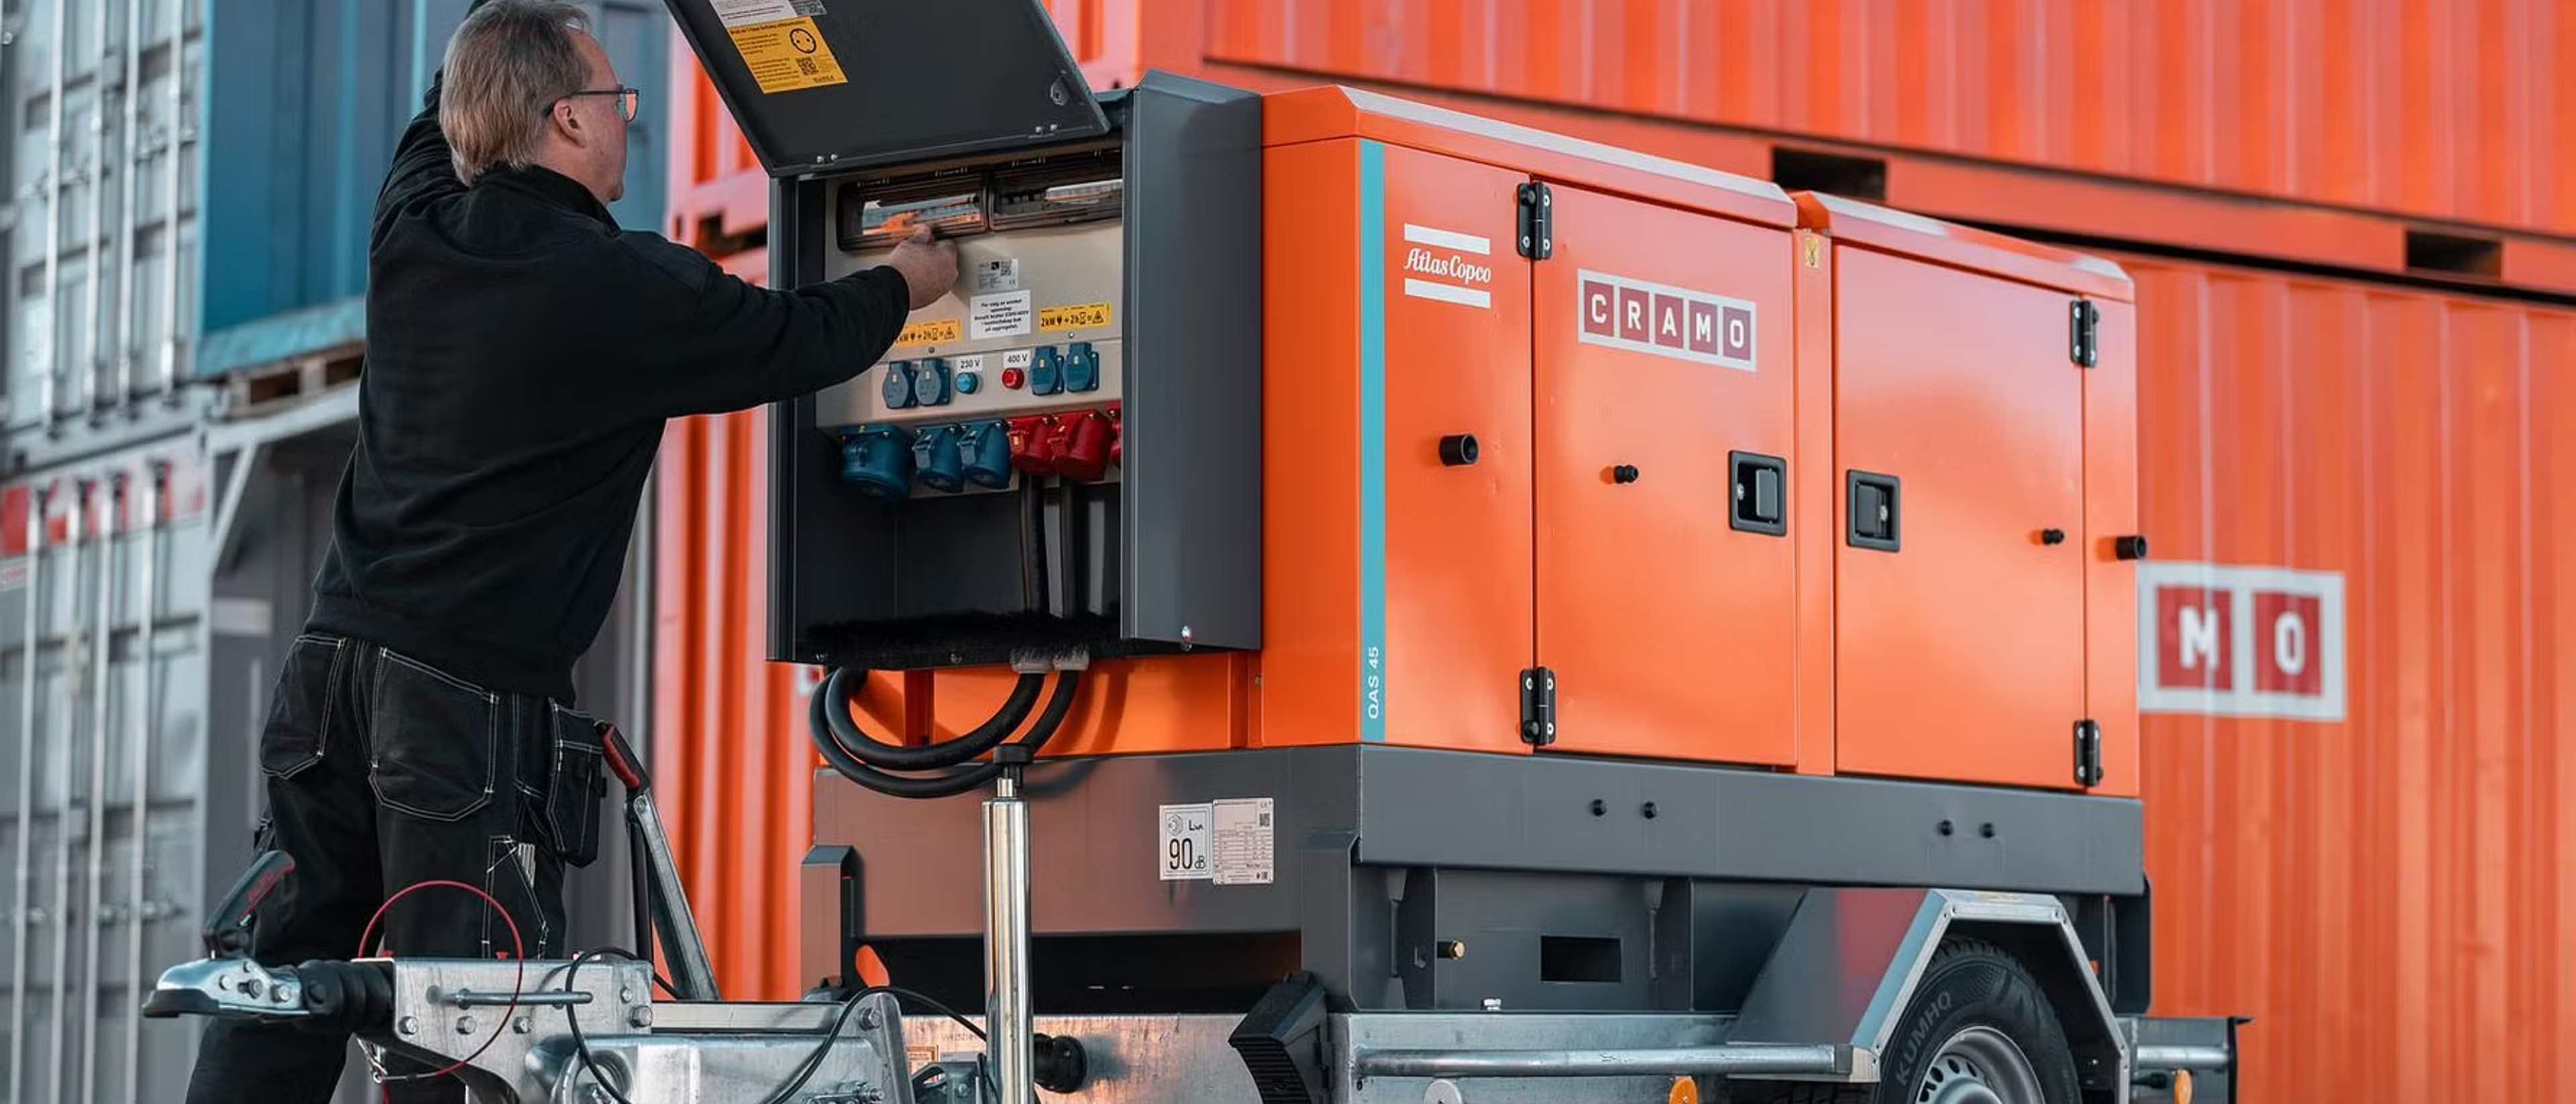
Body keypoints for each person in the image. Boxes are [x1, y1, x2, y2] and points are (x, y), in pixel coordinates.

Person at [182, 1, 956, 1099]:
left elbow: (439, 106)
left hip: (329, 679)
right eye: (616, 99)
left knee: (283, 988)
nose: (630, 122)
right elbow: (800, 336)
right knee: (462, 1015)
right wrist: (913, 282)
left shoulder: (416, 227)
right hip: (457, 706)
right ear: (565, 121)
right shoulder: (616, 285)